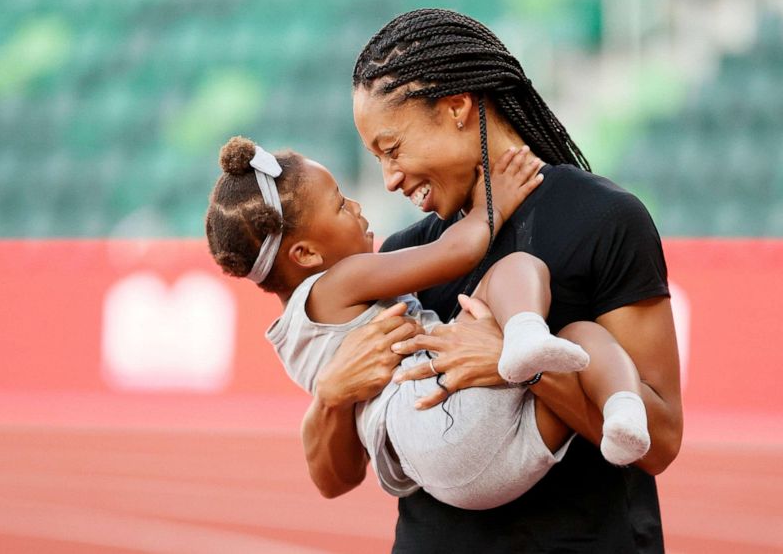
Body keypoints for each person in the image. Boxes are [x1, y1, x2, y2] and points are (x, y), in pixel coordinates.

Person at [301, 8, 683, 553]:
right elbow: (335, 479)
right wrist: (332, 396)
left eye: (393, 149)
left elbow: (660, 441)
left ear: (457, 108)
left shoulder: (605, 218)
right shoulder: (404, 256)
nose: (388, 179)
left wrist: (521, 367)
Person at [205, 135, 651, 510]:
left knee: (576, 346)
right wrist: (494, 204)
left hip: (453, 480)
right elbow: (455, 253)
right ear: (306, 255)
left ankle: (621, 421)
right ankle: (533, 341)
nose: (358, 206)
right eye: (341, 204)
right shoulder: (341, 281)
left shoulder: (290, 337)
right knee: (522, 273)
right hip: (434, 411)